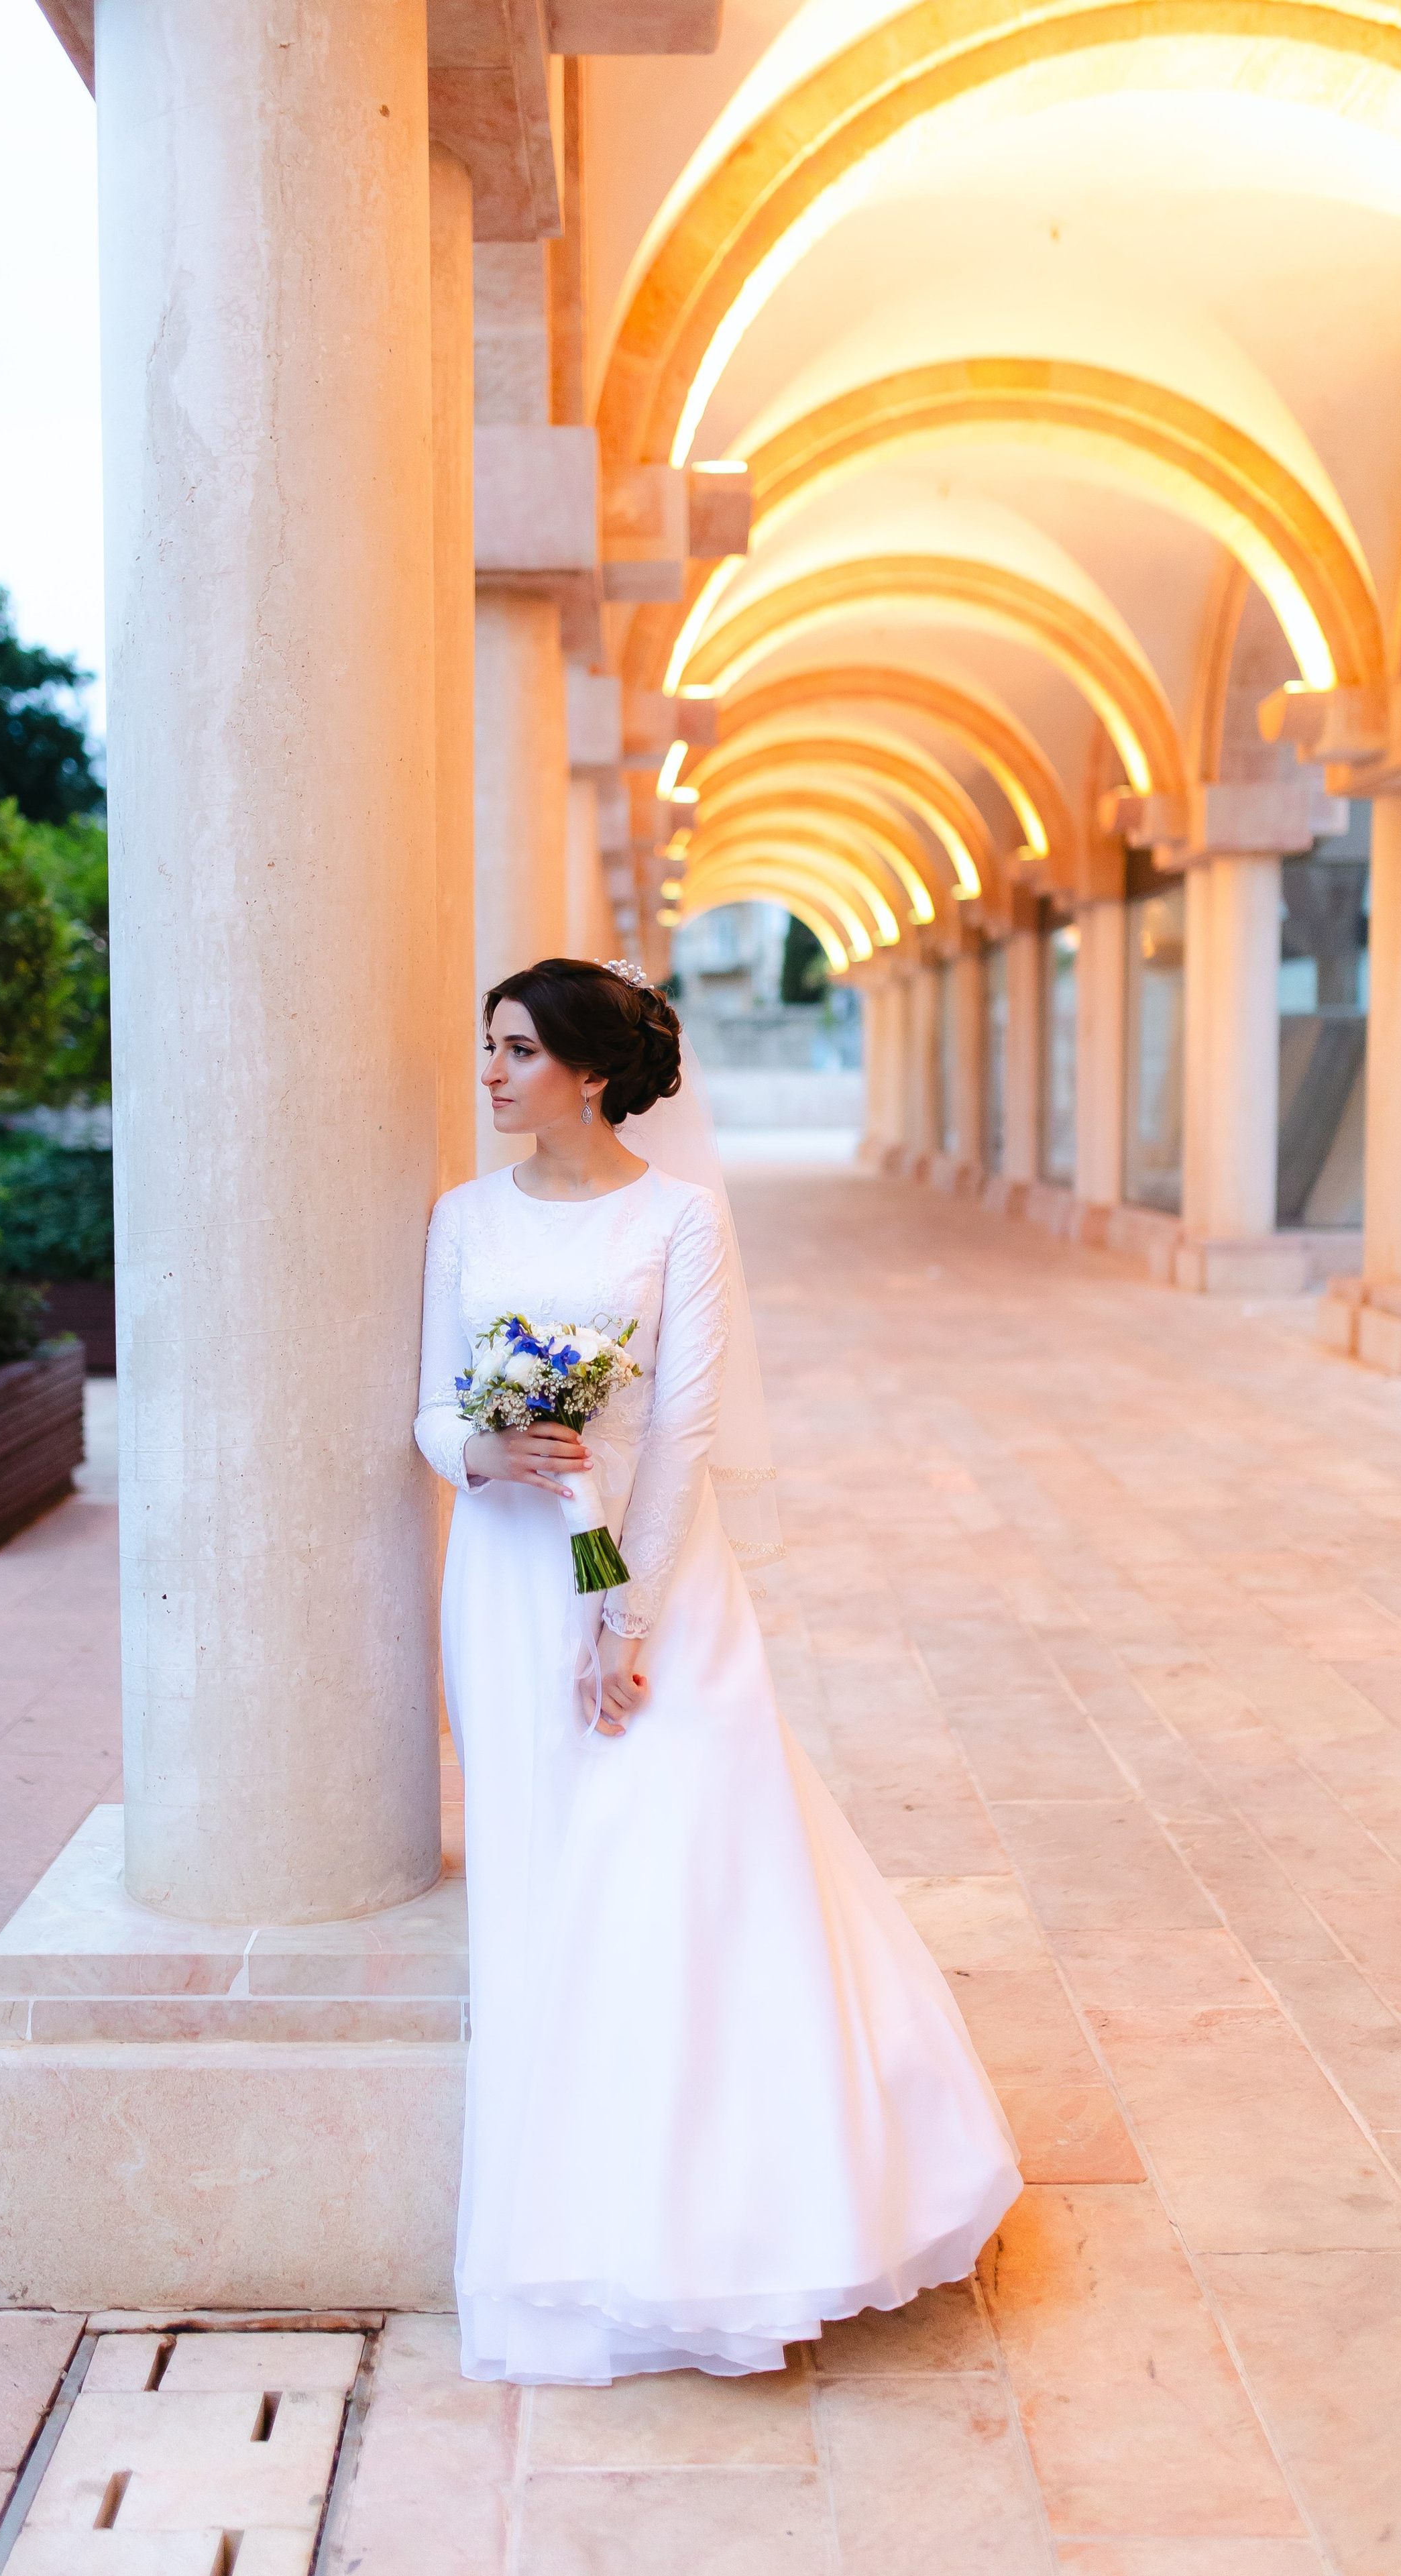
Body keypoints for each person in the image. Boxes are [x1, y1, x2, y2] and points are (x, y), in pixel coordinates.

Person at [414, 956, 1021, 2385]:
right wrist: (483, 1452)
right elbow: (432, 1409)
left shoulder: (680, 1219)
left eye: (514, 1050)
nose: (490, 1074)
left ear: (586, 1070)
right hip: (502, 1584)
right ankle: (557, 2235)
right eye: (485, 1046)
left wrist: (619, 1621)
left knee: (685, 1863)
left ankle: (731, 2222)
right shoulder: (460, 1216)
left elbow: (678, 1435)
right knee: (540, 1879)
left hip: (654, 1582)